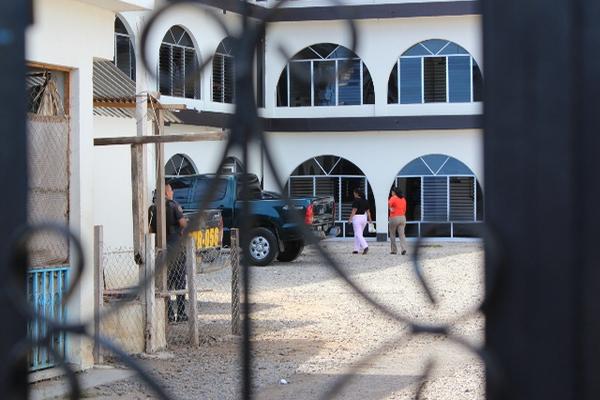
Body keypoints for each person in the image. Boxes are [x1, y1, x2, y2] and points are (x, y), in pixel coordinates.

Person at [148, 182, 188, 322]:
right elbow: (183, 224)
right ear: (166, 193)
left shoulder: (152, 209)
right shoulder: (173, 206)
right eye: (171, 191)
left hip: (160, 250)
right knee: (180, 281)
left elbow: (151, 230)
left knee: (165, 283)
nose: (172, 193)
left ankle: (169, 314)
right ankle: (182, 313)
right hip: (175, 248)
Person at [348, 189, 372, 255]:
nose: (354, 194)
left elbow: (354, 210)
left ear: (357, 193)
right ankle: (356, 249)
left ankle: (365, 246)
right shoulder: (365, 201)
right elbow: (368, 211)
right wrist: (370, 219)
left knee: (358, 234)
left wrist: (350, 219)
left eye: (354, 193)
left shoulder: (356, 200)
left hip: (357, 218)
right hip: (364, 218)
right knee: (358, 234)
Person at [388, 186, 407, 255]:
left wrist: (390, 208)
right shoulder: (403, 199)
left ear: (394, 192)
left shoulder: (393, 198)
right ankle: (403, 249)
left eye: (392, 192)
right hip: (402, 217)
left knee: (392, 234)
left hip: (394, 217)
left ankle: (394, 250)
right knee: (402, 234)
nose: (391, 193)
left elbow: (388, 204)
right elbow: (405, 209)